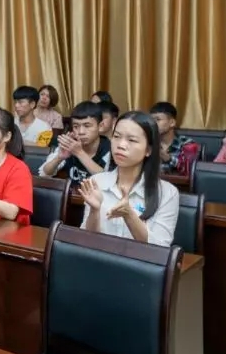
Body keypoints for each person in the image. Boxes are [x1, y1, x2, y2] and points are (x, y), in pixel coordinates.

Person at [79, 112, 180, 246]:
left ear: (148, 150)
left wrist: (129, 215)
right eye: (116, 137)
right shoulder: (96, 182)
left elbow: (160, 248)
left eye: (131, 140)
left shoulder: (167, 193)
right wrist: (94, 211)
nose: (121, 145)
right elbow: (87, 241)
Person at [38, 101, 112, 182]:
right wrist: (59, 158)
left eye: (87, 126)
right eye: (76, 126)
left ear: (100, 126)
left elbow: (108, 181)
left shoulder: (110, 149)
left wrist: (79, 153)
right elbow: (43, 174)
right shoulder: (70, 144)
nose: (81, 132)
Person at [150, 102, 199, 175]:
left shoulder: (187, 144)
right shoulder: (148, 142)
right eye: (151, 120)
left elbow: (190, 172)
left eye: (158, 119)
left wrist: (168, 158)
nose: (153, 123)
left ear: (172, 123)